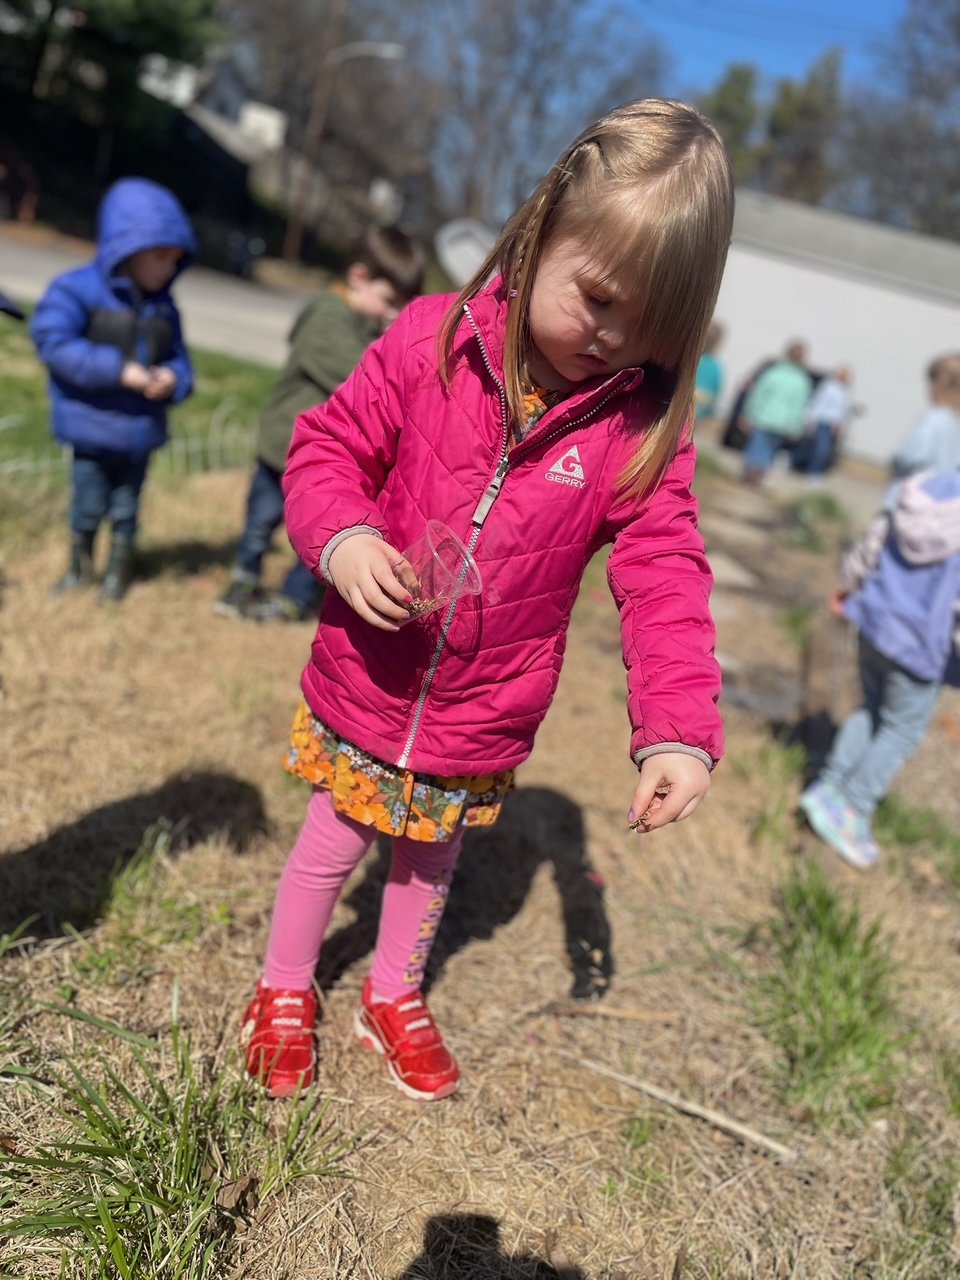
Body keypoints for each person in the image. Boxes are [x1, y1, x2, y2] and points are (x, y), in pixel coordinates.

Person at [240, 98, 732, 1102]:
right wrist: (344, 537)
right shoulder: (431, 339)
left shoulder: (640, 431)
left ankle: (393, 987)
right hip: (371, 675)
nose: (612, 339)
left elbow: (665, 574)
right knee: (332, 839)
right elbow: (326, 445)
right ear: (542, 228)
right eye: (597, 298)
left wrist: (677, 727)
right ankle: (285, 984)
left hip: (483, 706)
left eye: (649, 324)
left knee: (430, 862)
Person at [215, 226, 426, 623]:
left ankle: (296, 596)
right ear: (358, 277)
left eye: (399, 306)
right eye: (387, 301)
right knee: (262, 519)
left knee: (317, 527)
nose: (390, 313)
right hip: (284, 445)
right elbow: (356, 372)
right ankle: (244, 580)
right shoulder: (327, 314)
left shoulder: (365, 324)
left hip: (324, 460)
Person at [30, 178, 196, 601]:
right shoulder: (76, 289)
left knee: (126, 510)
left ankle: (117, 574)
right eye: (159, 257)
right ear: (126, 248)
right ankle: (79, 568)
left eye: (175, 260)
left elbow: (180, 358)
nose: (167, 269)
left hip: (139, 434)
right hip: (92, 428)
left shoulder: (165, 307)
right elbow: (53, 341)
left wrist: (175, 379)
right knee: (87, 504)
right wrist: (120, 372)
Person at [798, 469, 960, 869]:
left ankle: (830, 786)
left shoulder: (926, 487)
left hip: (874, 625)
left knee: (871, 708)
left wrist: (850, 584)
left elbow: (873, 545)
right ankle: (853, 807)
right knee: (901, 729)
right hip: (922, 647)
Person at [740, 340, 813, 484]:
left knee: (755, 447)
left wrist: (748, 413)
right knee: (769, 451)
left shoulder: (774, 372)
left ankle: (747, 476)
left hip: (763, 417)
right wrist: (796, 427)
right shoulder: (802, 381)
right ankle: (757, 478)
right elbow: (799, 407)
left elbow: (759, 394)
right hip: (782, 423)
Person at [888, 353, 960, 491]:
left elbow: (911, 460)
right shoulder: (953, 425)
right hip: (938, 504)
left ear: (937, 386)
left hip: (909, 502)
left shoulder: (933, 420)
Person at [792, 364, 853, 480]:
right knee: (818, 448)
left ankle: (811, 470)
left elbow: (843, 411)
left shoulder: (846, 391)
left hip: (833, 425)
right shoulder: (829, 386)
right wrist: (810, 420)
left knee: (820, 449)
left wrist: (841, 425)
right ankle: (810, 470)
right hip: (822, 421)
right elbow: (818, 403)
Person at [694, 319, 724, 427]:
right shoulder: (714, 367)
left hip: (684, 406)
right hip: (700, 410)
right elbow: (715, 391)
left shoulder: (692, 360)